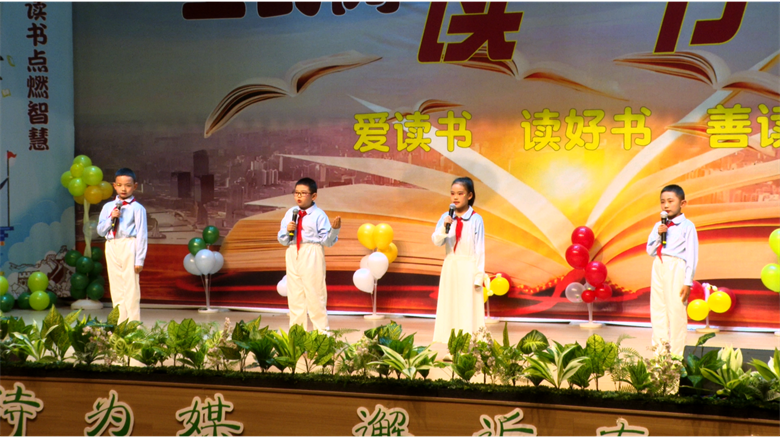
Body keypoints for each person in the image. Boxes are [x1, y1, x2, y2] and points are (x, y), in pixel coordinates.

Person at [277, 178, 341, 331]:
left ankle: (321, 335)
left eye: (303, 193)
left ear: (314, 196)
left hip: (311, 252)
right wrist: (287, 230)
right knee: (295, 297)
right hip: (293, 251)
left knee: (315, 296)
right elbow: (283, 240)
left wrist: (334, 230)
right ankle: (297, 336)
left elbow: (327, 241)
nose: (299, 196)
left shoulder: (319, 215)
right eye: (296, 193)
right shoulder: (290, 213)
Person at [432, 177, 486, 344]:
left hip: (468, 267)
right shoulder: (446, 217)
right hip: (451, 266)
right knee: (450, 305)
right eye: (452, 193)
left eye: (460, 193)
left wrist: (479, 276)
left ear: (469, 195)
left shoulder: (476, 219)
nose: (455, 197)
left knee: (466, 307)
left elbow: (479, 249)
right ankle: (451, 344)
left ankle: (468, 344)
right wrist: (445, 226)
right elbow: (437, 241)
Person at [646, 184, 698, 356]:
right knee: (658, 311)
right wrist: (659, 235)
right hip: (659, 264)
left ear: (682, 203)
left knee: (676, 312)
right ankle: (659, 357)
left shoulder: (687, 226)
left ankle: (676, 357)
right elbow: (650, 250)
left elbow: (692, 255)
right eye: (662, 202)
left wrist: (688, 282)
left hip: (676, 267)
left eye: (670, 201)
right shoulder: (659, 225)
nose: (666, 205)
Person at [97, 168, 147, 322]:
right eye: (119, 185)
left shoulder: (138, 208)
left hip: (128, 245)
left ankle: (133, 323)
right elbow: (100, 230)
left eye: (128, 185)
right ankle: (119, 322)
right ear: (114, 186)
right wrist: (111, 218)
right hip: (111, 244)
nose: (123, 189)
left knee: (131, 287)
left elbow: (142, 235)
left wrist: (139, 259)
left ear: (135, 186)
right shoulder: (108, 207)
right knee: (116, 286)